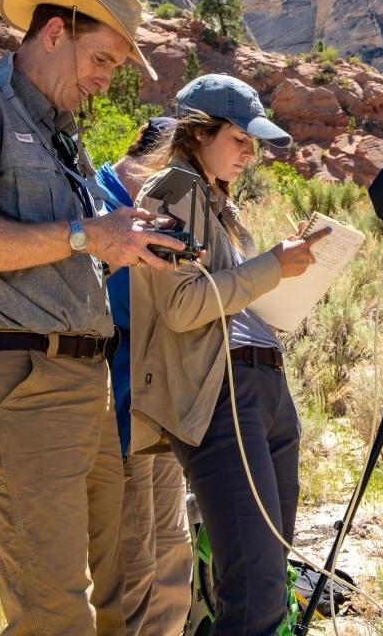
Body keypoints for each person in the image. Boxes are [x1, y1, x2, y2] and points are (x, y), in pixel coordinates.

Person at [0, 0, 184, 636]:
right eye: (101, 60)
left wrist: (124, 243)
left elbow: (75, 245)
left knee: (114, 601)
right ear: (55, 32)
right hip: (19, 385)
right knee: (52, 612)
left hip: (87, 383)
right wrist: (86, 234)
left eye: (116, 67)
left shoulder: (63, 134)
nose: (105, 79)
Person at [129, 74, 330, 636]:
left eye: (254, 144)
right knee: (256, 587)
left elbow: (229, 296)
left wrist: (281, 276)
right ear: (198, 133)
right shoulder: (175, 190)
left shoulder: (215, 201)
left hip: (260, 387)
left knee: (270, 566)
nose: (251, 153)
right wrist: (271, 267)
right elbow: (182, 306)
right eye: (240, 139)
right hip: (224, 395)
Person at [94, 116, 193, 636]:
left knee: (173, 552)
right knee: (135, 558)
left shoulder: (165, 213)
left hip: (162, 410)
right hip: (118, 409)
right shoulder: (96, 203)